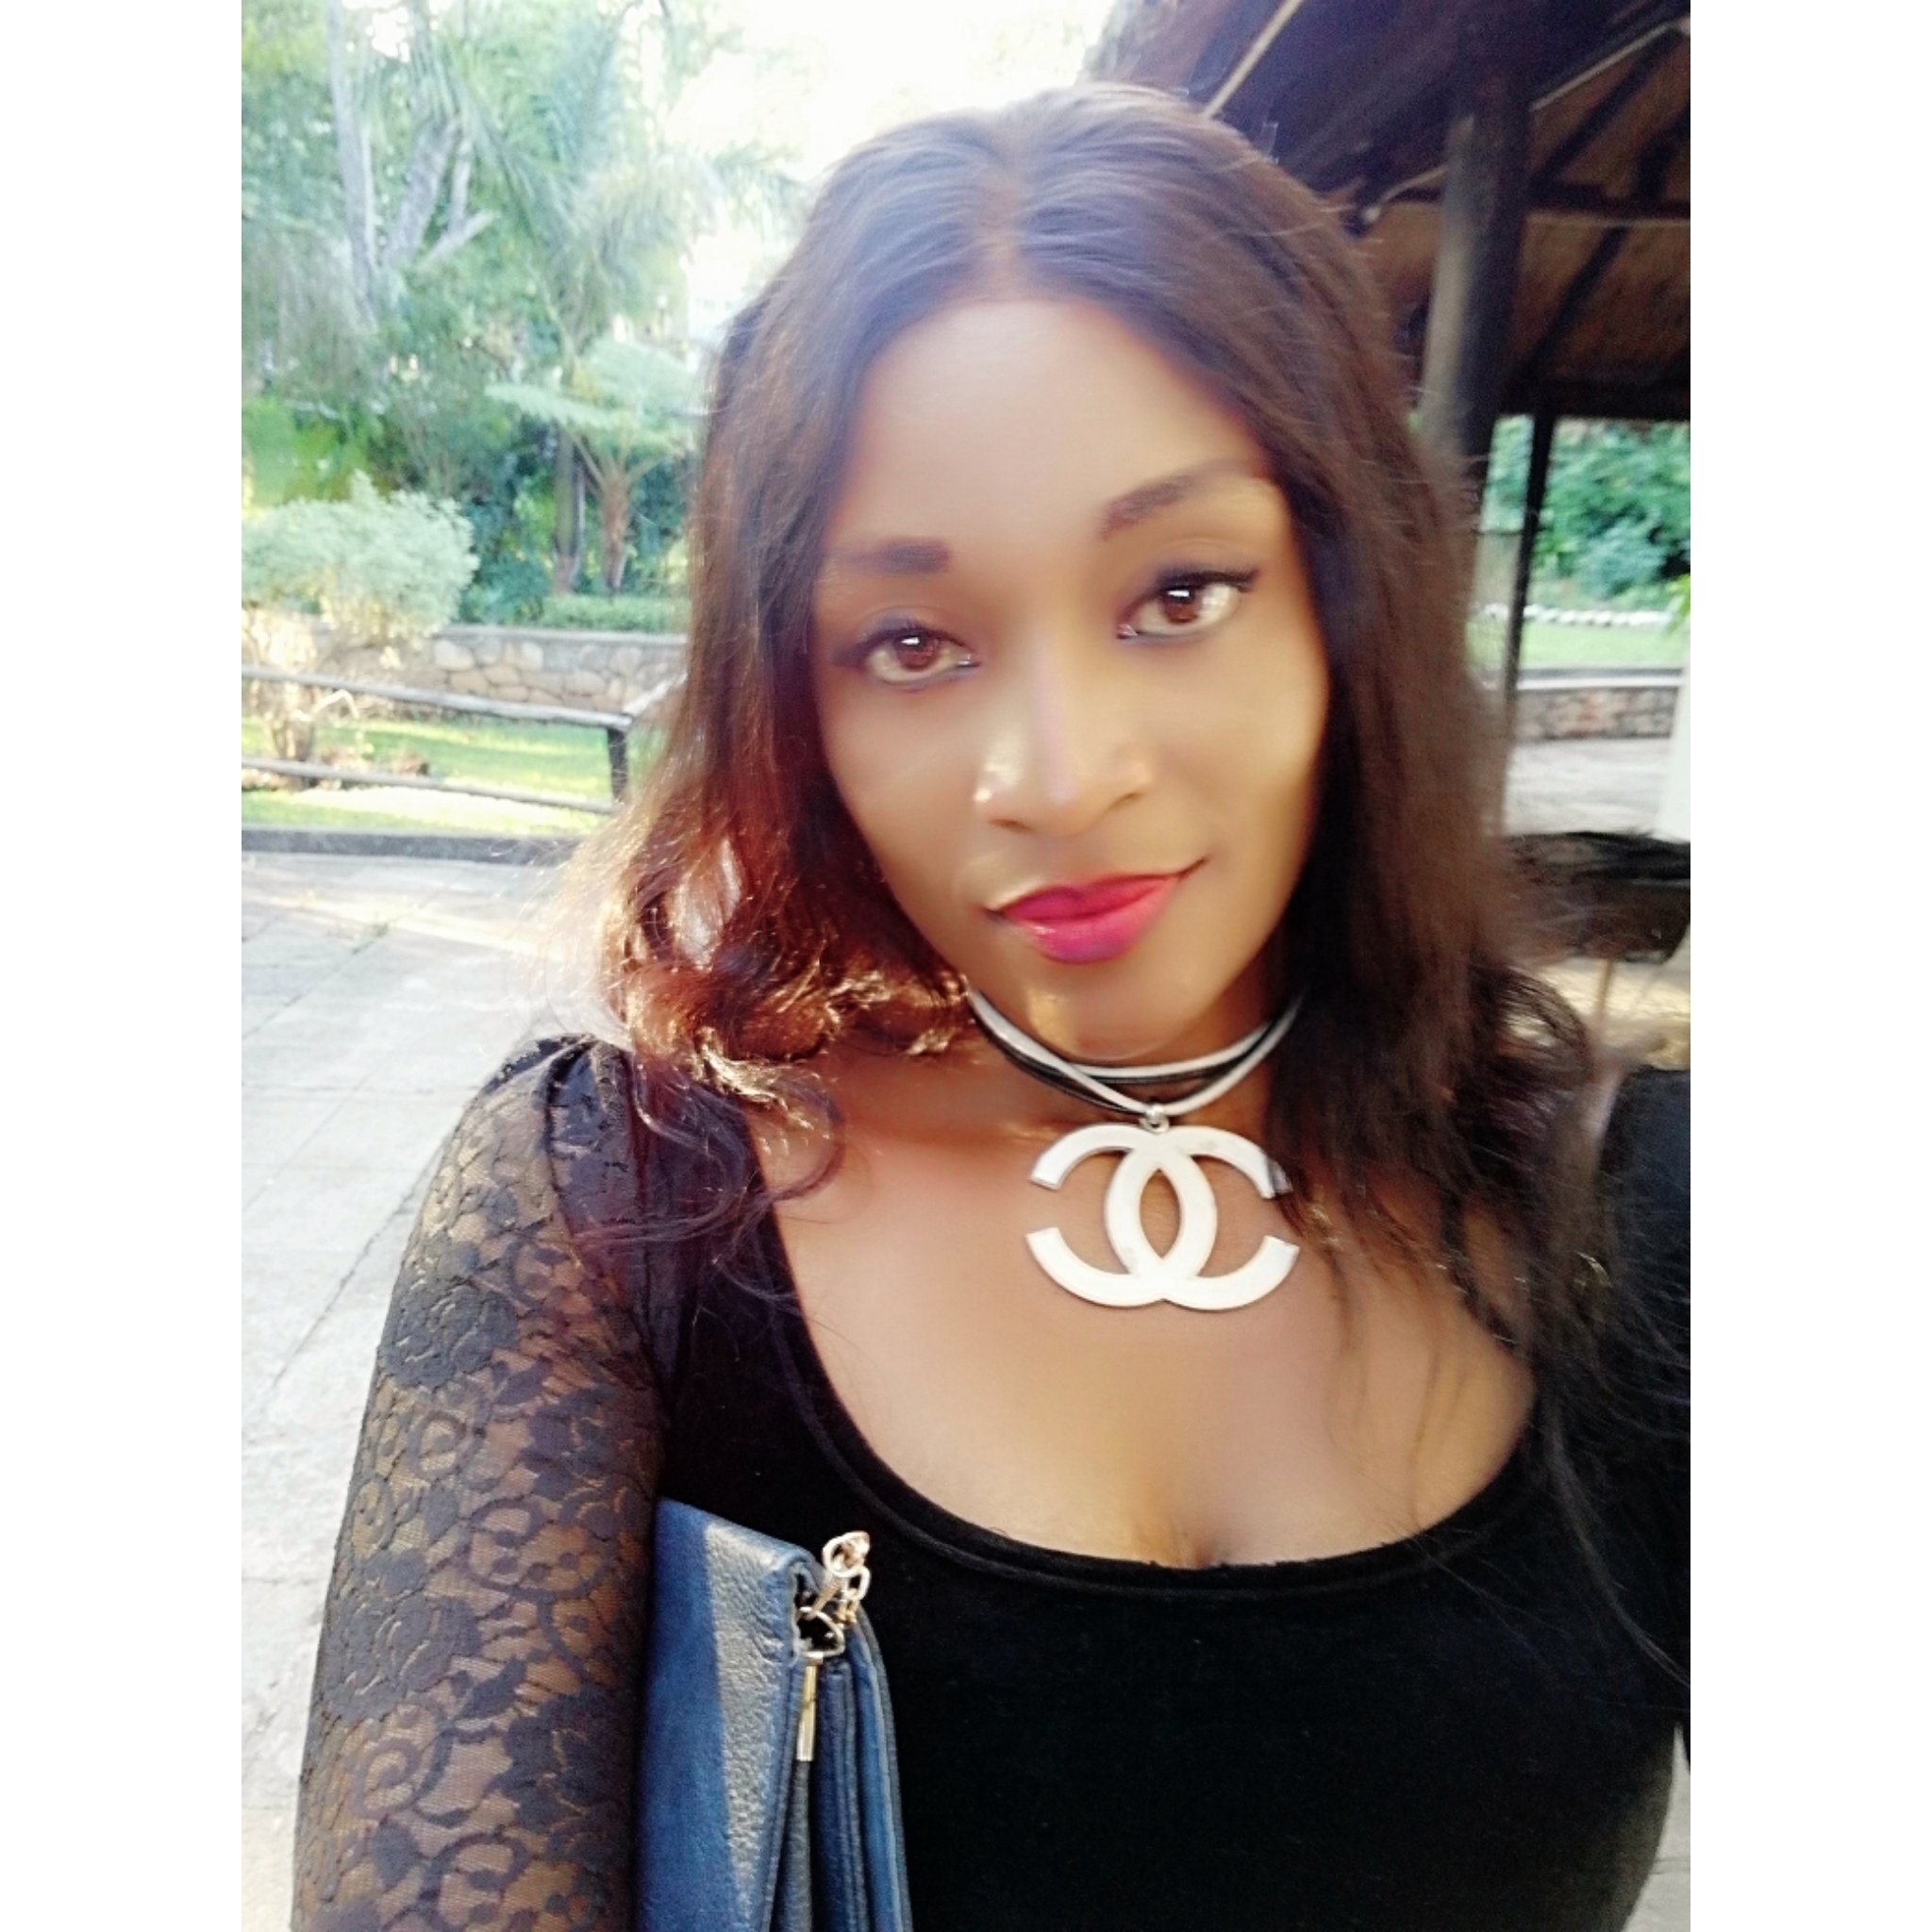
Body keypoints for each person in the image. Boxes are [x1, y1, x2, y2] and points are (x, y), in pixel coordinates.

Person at [292, 86, 1688, 1932]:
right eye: (913, 642)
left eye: (1178, 592)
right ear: (800, 699)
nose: (1057, 774)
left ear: (1350, 599)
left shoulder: (1651, 1212)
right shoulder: (608, 1212)